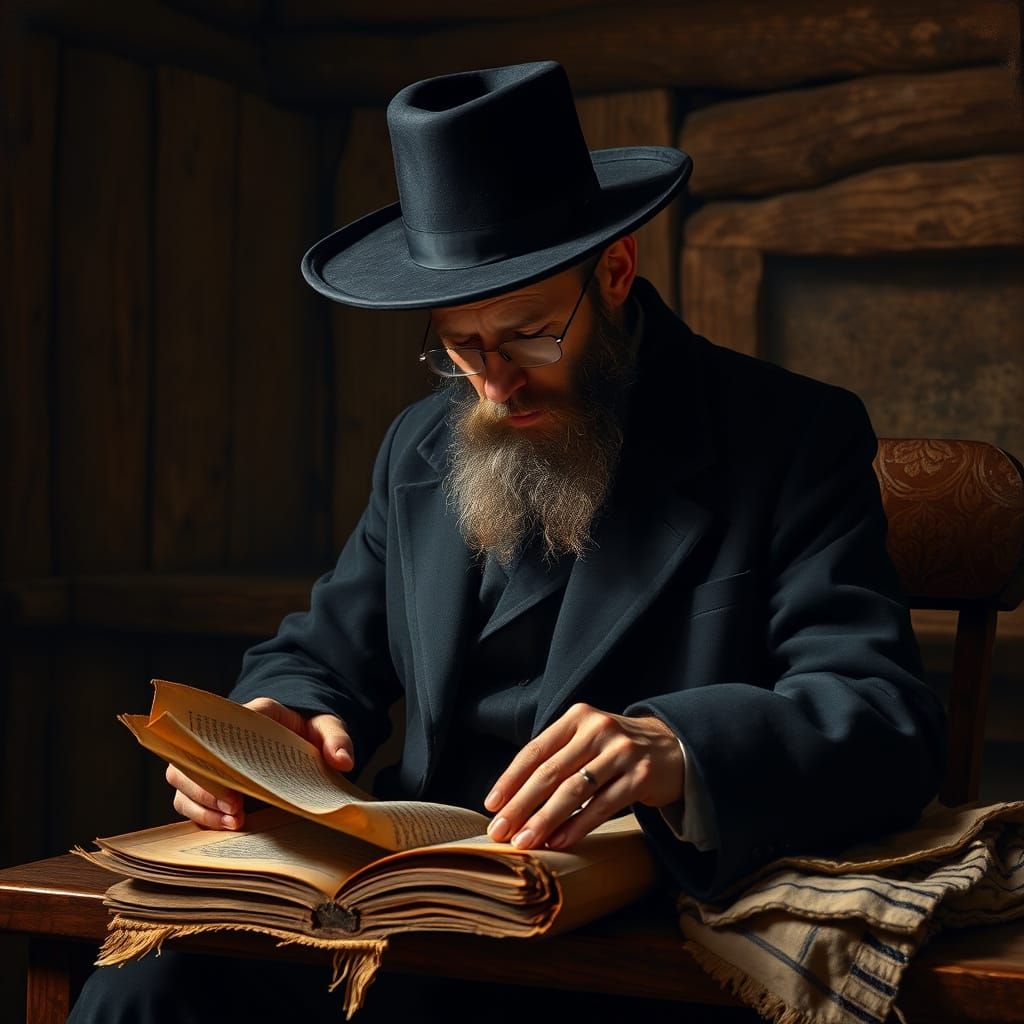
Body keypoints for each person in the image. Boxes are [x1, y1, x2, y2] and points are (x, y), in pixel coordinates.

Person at [69, 59, 947, 1022]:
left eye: (530, 334)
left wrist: (679, 747)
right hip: (413, 909)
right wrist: (277, 722)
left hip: (623, 938)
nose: (495, 384)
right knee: (138, 981)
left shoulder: (789, 436)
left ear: (617, 272)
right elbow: (322, 652)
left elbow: (880, 717)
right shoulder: (419, 445)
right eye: (461, 344)